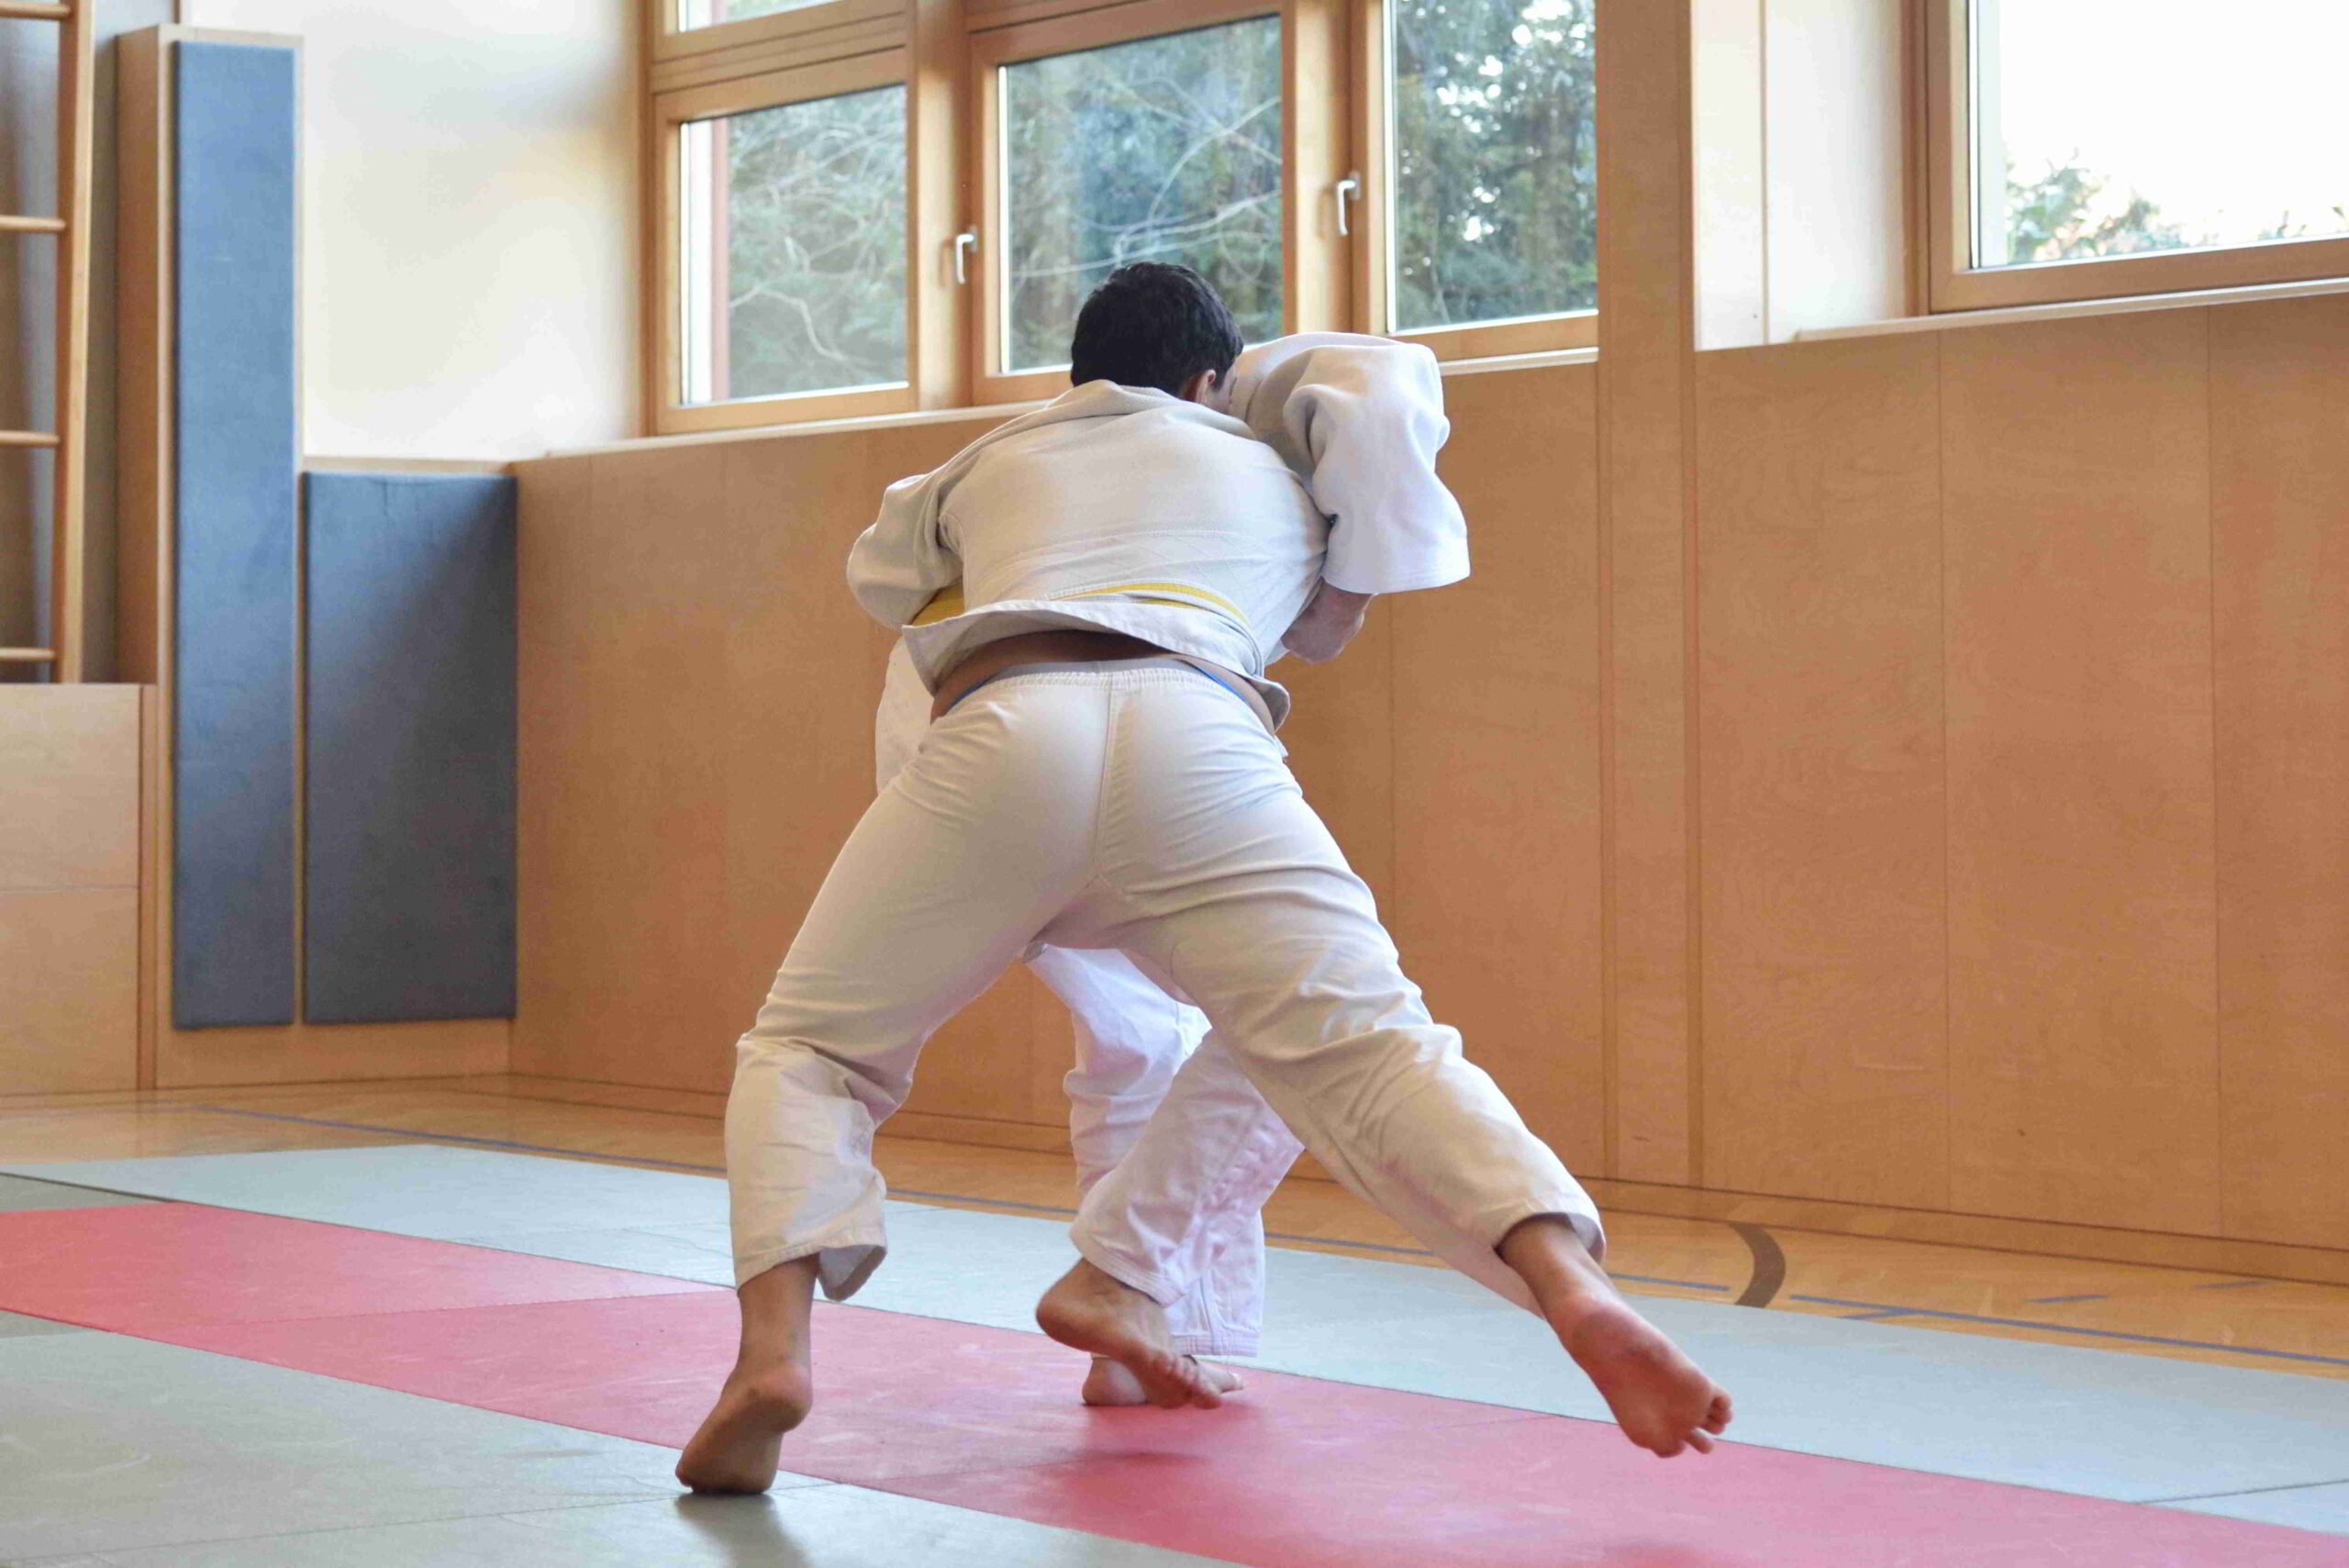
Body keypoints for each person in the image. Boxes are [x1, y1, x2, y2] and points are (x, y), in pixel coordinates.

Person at [678, 264, 1731, 1495]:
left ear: (1076, 377)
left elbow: (883, 577)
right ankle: (1569, 1285)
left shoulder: (984, 462)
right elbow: (1334, 608)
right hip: (1202, 740)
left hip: (999, 729)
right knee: (1366, 1046)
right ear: (1208, 381)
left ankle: (776, 1353)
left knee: (811, 1051)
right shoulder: (1271, 470)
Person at [870, 328, 1476, 1406]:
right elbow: (1381, 403)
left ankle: (1133, 1337)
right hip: (1094, 725)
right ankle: (1134, 1284)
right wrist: (1349, 584)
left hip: (954, 727)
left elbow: (883, 565)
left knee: (1139, 1038)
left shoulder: (1030, 447)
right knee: (1294, 1024)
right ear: (1207, 377)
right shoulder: (1255, 417)